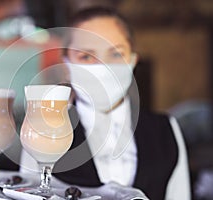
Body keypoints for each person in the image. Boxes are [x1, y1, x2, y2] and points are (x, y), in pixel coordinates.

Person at [20, 6, 191, 200]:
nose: (103, 66)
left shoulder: (165, 128)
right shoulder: (43, 126)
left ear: (133, 60)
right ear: (67, 64)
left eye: (116, 54)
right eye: (86, 56)